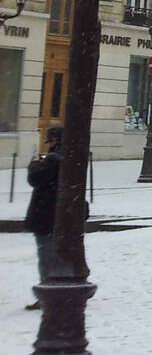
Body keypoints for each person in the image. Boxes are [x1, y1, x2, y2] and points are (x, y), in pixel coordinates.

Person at [25, 126, 63, 311]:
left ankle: (48, 292)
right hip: (58, 214)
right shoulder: (69, 156)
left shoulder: (54, 159)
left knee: (46, 255)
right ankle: (56, 290)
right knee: (55, 254)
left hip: (46, 213)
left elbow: (36, 178)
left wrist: (34, 164)